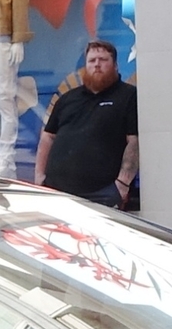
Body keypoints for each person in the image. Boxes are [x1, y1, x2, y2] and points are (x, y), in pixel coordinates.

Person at [34, 40, 137, 208]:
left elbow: (134, 142)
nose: (97, 65)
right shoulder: (67, 98)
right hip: (56, 192)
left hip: (101, 194)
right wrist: (39, 178)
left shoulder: (128, 96)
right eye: (92, 60)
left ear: (115, 66)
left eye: (103, 60)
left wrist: (122, 185)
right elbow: (47, 137)